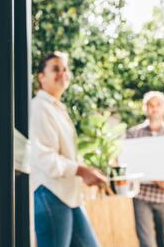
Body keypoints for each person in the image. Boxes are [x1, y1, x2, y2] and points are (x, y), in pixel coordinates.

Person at [30, 52, 106, 247]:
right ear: (41, 77)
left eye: (65, 69)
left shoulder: (57, 108)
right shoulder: (39, 107)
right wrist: (80, 170)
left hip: (69, 196)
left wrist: (88, 171)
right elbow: (44, 157)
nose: (62, 73)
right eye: (55, 69)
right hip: (50, 193)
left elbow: (66, 154)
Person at [127, 91, 164, 247]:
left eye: (158, 105)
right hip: (142, 195)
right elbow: (128, 163)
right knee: (146, 243)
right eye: (150, 105)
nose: (154, 109)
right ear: (145, 108)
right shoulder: (134, 135)